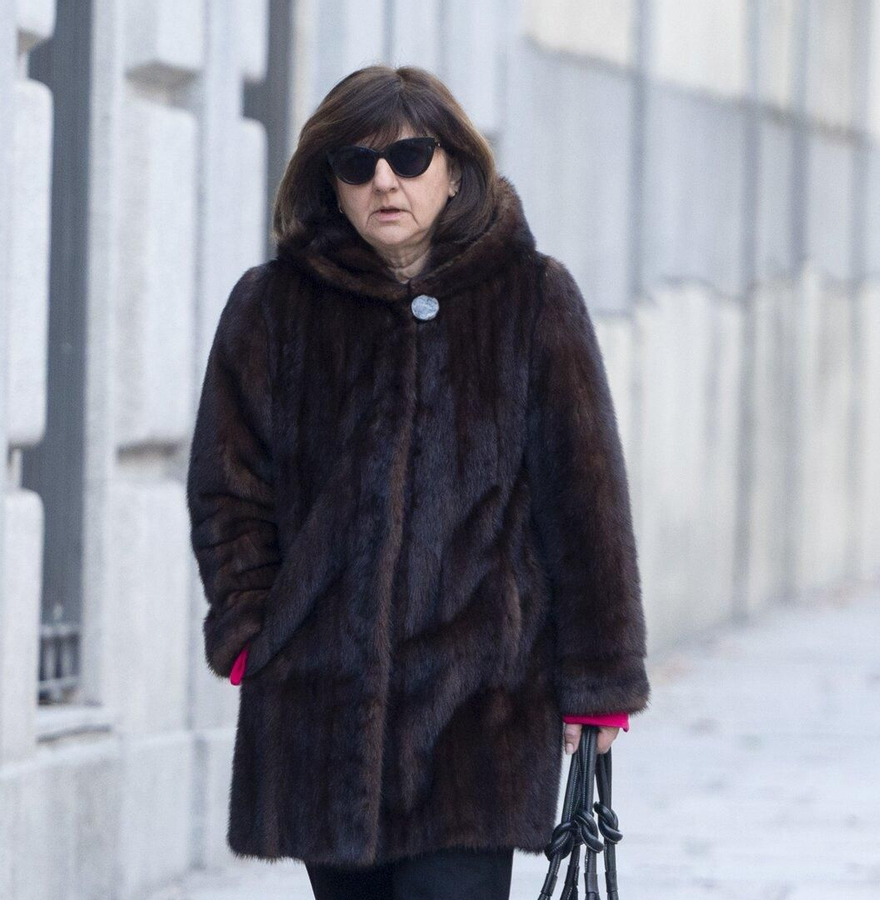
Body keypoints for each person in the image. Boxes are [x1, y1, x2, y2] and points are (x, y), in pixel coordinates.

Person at [186, 64, 650, 900]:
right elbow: (228, 489)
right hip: (320, 706)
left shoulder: (534, 299)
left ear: (455, 168)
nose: (385, 180)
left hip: (481, 707)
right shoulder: (271, 307)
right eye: (357, 165)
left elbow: (588, 504)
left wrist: (600, 684)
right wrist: (254, 634)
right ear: (330, 184)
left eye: (407, 154)